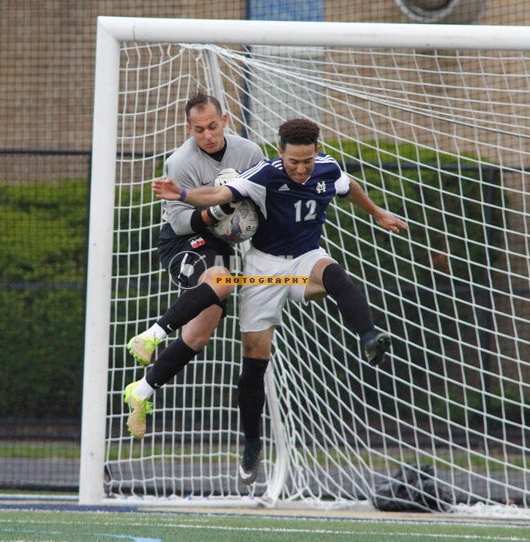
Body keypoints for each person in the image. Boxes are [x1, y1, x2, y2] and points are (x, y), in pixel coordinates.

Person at [152, 118, 408, 484]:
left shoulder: (327, 168)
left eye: (307, 161)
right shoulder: (265, 174)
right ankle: (252, 444)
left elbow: (349, 187)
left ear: (317, 152)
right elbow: (219, 195)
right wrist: (182, 194)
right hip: (264, 270)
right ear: (280, 153)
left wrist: (377, 212)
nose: (301, 170)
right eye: (294, 162)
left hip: (305, 259)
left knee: (334, 273)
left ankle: (368, 336)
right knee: (254, 361)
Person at [123, 92, 265, 439]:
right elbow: (181, 222)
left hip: (220, 243)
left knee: (198, 335)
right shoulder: (180, 163)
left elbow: (263, 201)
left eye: (213, 126)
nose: (208, 135)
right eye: (199, 130)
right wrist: (220, 209)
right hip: (182, 240)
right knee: (221, 280)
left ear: (225, 120)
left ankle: (141, 391)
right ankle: (150, 335)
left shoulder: (250, 153)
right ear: (189, 129)